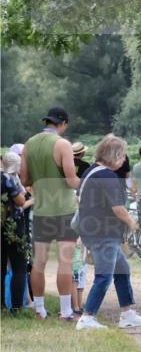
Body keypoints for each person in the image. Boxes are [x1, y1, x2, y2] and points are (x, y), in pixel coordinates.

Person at [74, 135, 141, 331]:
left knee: (122, 269)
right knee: (105, 275)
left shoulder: (92, 171)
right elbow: (118, 208)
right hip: (102, 232)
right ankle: (87, 317)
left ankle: (127, 314)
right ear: (115, 155)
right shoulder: (107, 176)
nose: (124, 159)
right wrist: (132, 223)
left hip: (94, 230)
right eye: (123, 155)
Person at [20, 106, 80, 321]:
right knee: (65, 261)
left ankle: (40, 310)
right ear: (63, 123)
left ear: (48, 122)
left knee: (39, 263)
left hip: (42, 210)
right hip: (64, 209)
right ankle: (65, 312)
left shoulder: (29, 144)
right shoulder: (63, 144)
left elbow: (25, 180)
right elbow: (71, 180)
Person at [2, 152, 30, 313]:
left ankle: (1, 305)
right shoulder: (9, 179)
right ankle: (17, 307)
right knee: (19, 267)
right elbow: (20, 201)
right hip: (14, 226)